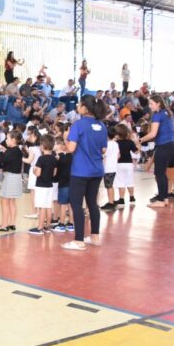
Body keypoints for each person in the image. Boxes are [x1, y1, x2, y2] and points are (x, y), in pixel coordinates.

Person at [61, 95, 108, 251]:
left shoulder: (79, 125)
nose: (77, 107)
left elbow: (71, 148)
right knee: (92, 203)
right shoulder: (101, 125)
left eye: (79, 104)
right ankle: (94, 236)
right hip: (97, 170)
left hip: (81, 171)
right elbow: (103, 149)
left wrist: (65, 138)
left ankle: (79, 240)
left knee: (76, 204)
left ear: (84, 108)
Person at [139, 94, 174, 208]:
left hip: (164, 145)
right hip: (172, 144)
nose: (150, 106)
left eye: (151, 104)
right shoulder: (168, 113)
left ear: (158, 103)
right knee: (162, 173)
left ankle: (161, 199)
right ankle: (164, 198)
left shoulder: (157, 115)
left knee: (159, 173)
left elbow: (153, 134)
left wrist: (140, 140)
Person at [0, 130, 23, 232]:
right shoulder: (17, 150)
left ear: (13, 140)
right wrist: (3, 149)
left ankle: (4, 224)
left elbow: (1, 159)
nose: (6, 140)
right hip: (16, 177)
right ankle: (12, 223)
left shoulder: (11, 151)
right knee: (12, 201)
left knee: (4, 201)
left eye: (7, 138)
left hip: (10, 177)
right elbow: (7, 156)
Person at [29, 135, 57, 235]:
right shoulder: (54, 158)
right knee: (48, 206)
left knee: (41, 207)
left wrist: (33, 170)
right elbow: (54, 173)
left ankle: (40, 227)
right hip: (49, 185)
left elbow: (38, 173)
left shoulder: (41, 158)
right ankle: (47, 227)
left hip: (41, 185)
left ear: (42, 146)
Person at [52, 137, 73, 232]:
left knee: (63, 204)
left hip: (64, 183)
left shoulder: (62, 157)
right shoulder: (74, 157)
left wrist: (59, 153)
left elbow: (56, 171)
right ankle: (71, 224)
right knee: (71, 204)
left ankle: (61, 224)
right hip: (73, 183)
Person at [100, 128, 120, 212]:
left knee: (109, 186)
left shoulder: (107, 144)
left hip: (108, 168)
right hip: (113, 167)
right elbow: (119, 155)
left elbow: (103, 155)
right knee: (110, 185)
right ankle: (112, 201)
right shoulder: (115, 143)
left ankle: (111, 202)